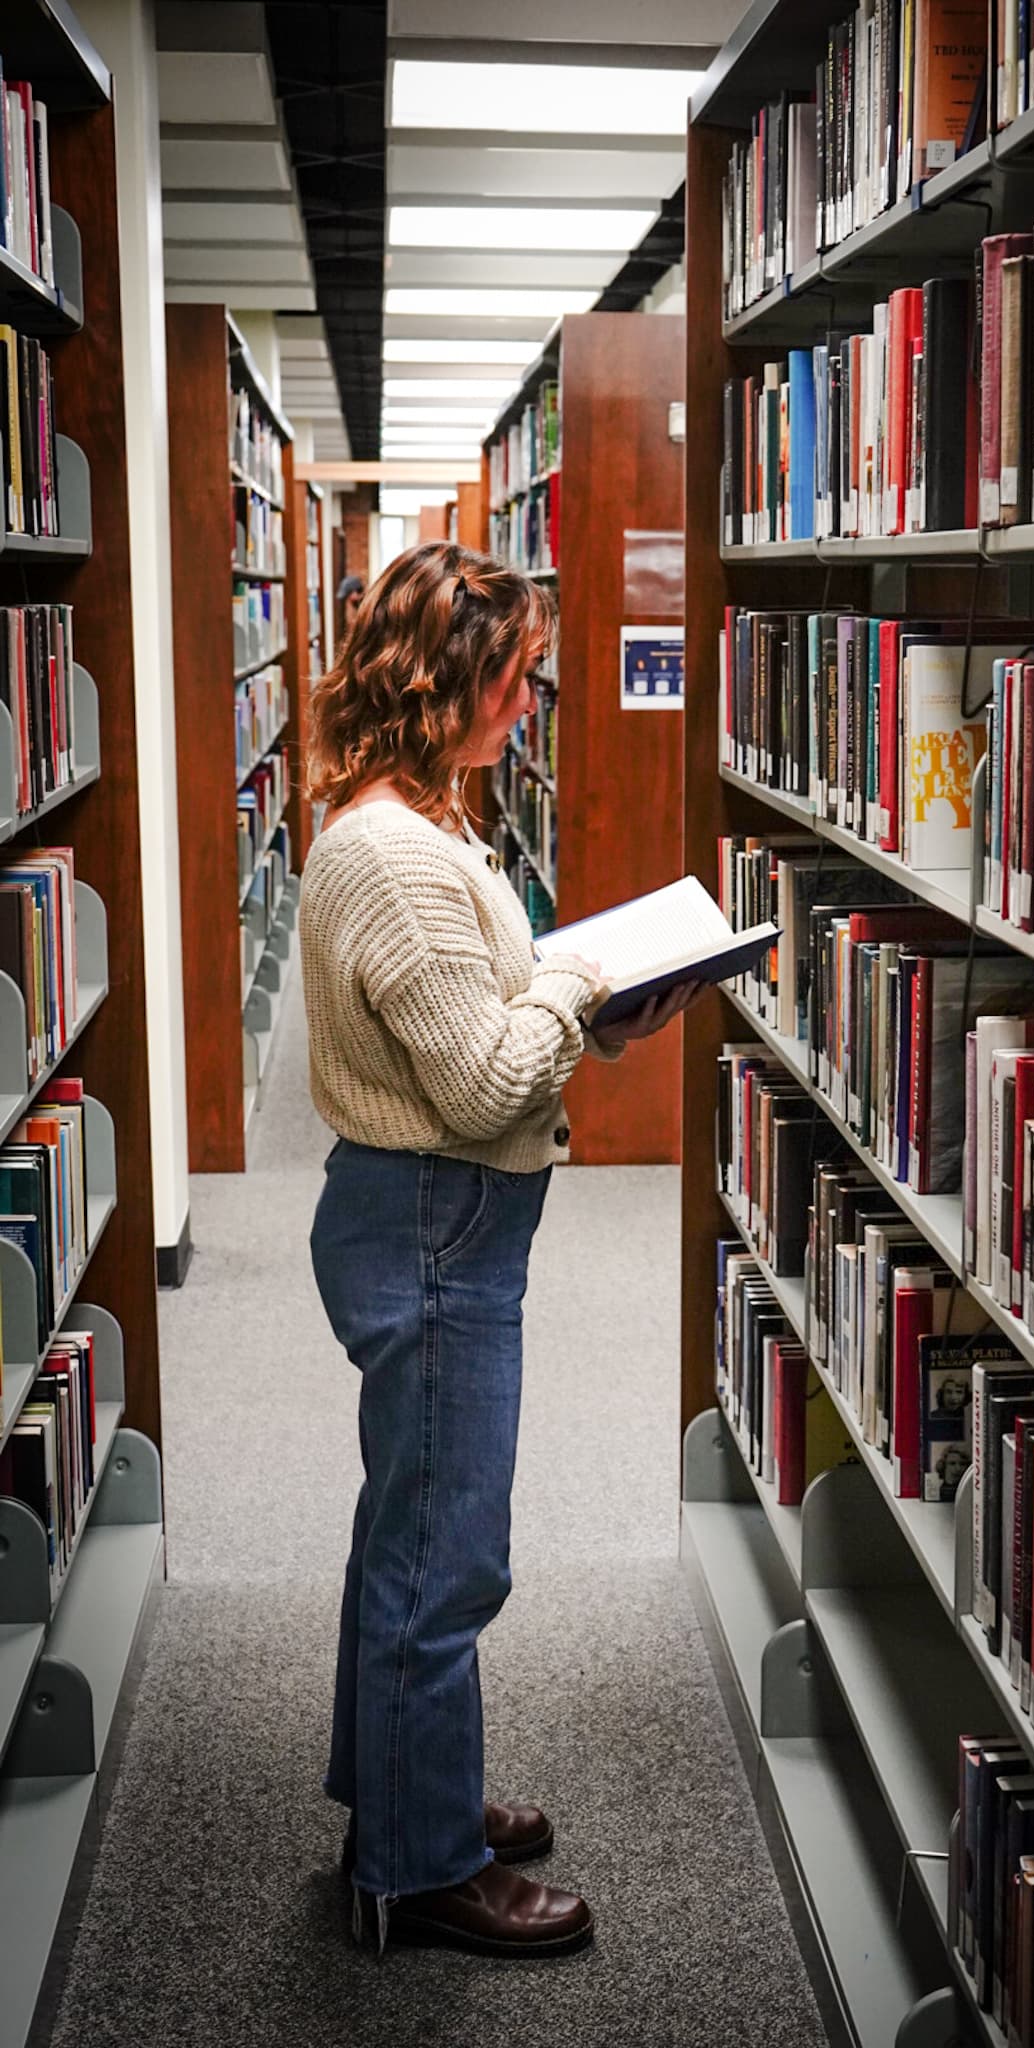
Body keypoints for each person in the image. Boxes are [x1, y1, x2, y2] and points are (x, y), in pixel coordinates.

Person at [300, 541, 693, 1960]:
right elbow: (474, 1085)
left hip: (428, 1212)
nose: (531, 703)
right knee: (445, 1556)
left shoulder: (417, 817)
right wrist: (578, 987)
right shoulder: (397, 860)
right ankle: (417, 1871)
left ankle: (401, 1794)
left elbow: (477, 1023)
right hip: (436, 1220)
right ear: (446, 683)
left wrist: (584, 1006)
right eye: (516, 679)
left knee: (404, 1526)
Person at [337, 572, 364, 637]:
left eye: (348, 595)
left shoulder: (365, 607)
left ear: (355, 592)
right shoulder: (353, 604)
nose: (348, 599)